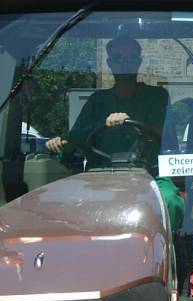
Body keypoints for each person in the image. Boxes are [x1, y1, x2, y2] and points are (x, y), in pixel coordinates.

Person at [45, 35, 185, 230]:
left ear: (139, 62)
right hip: (99, 179)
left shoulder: (157, 96)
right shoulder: (97, 101)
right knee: (61, 204)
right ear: (110, 63)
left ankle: (167, 250)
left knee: (169, 200)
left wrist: (130, 123)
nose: (124, 63)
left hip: (149, 175)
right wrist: (57, 144)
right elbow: (74, 141)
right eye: (118, 58)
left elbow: (164, 136)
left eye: (130, 58)